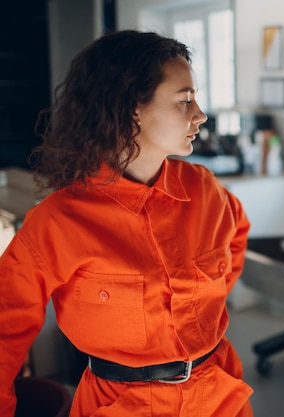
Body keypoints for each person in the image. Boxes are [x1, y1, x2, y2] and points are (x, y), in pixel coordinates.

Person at [0, 30, 254, 416]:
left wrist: (199, 309)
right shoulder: (59, 220)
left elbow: (236, 237)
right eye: (185, 100)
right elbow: (5, 330)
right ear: (130, 108)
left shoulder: (204, 189)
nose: (200, 115)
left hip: (219, 394)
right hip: (121, 405)